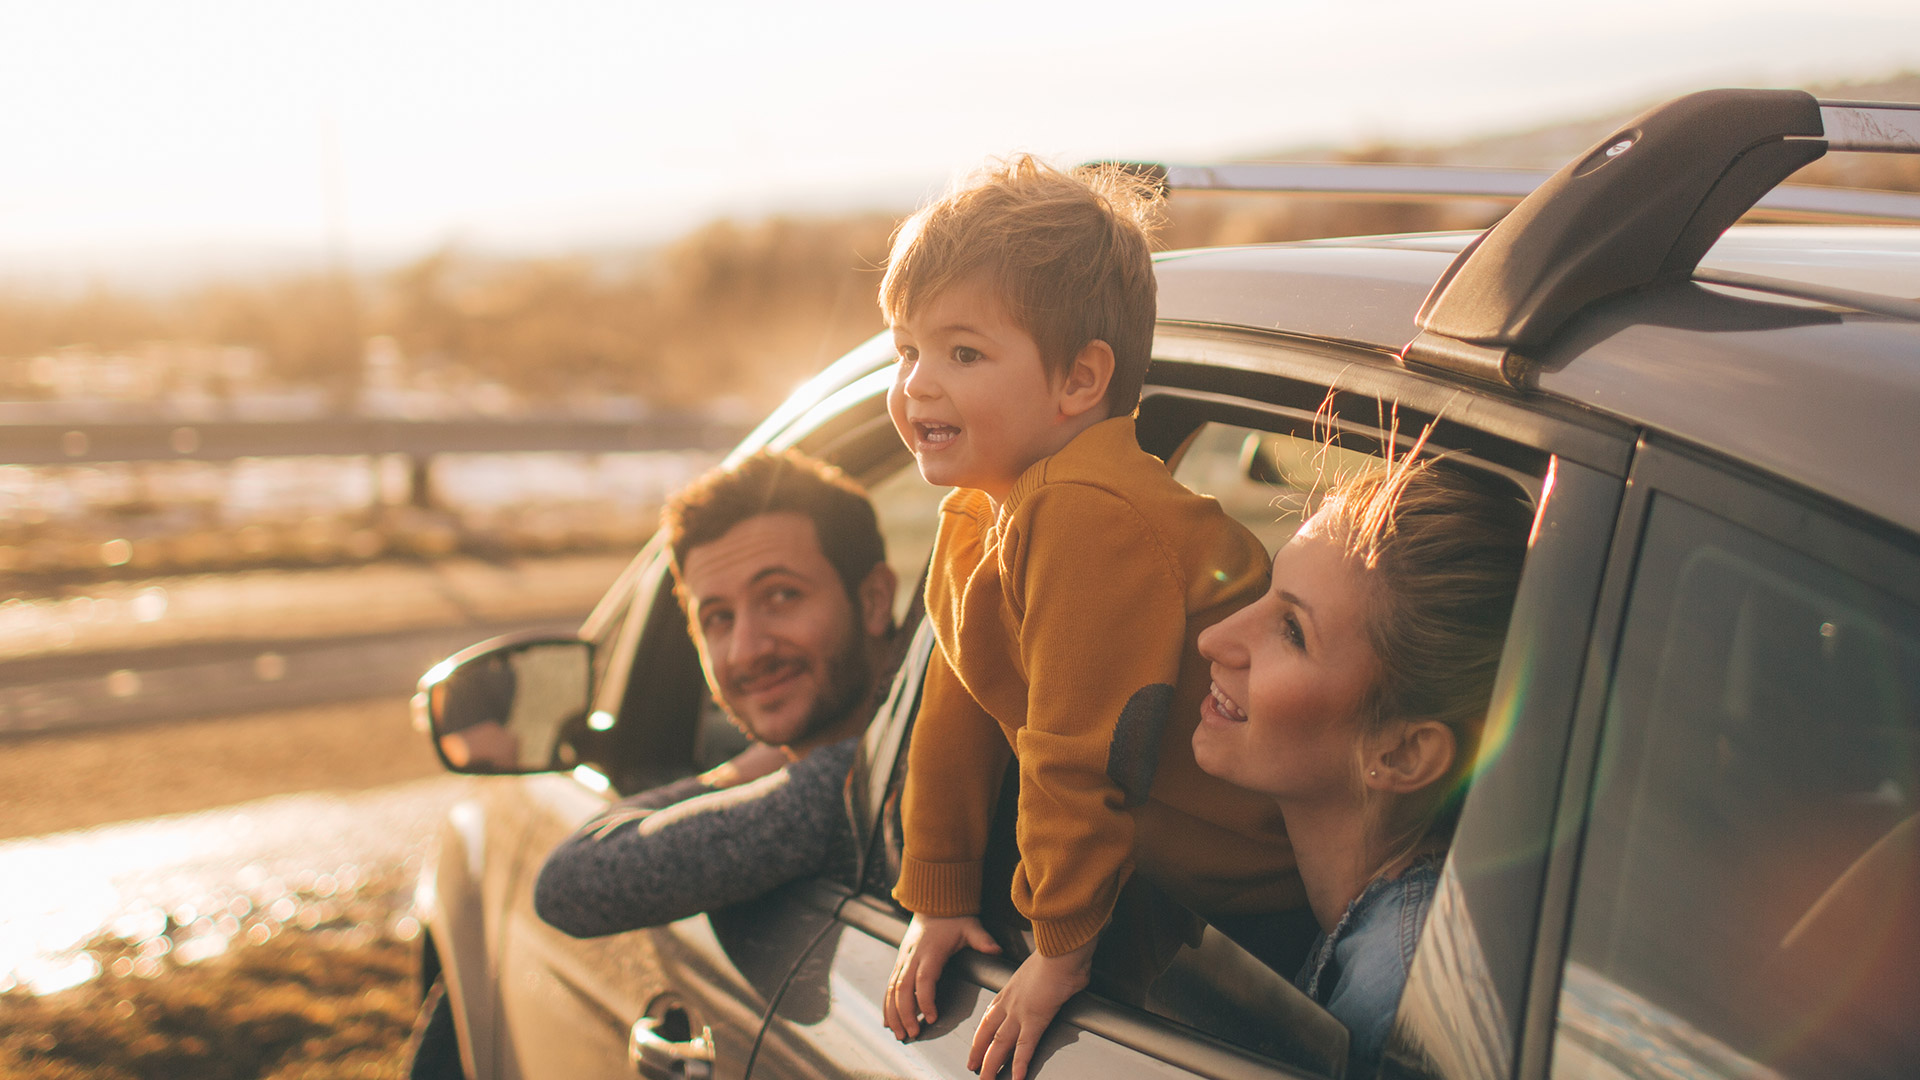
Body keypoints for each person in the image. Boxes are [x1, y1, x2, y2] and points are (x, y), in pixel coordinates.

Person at [880, 156, 1298, 1080]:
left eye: (963, 353)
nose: (916, 386)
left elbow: (1078, 749)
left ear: (1079, 380)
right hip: (1180, 880)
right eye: (905, 350)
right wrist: (940, 892)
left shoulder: (1084, 511)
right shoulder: (984, 512)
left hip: (1272, 894)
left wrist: (1057, 949)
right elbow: (957, 713)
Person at [1190, 452, 1530, 1076]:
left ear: (1401, 753)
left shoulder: (1394, 1002)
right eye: (1267, 591)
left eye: (1291, 630)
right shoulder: (1391, 932)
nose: (1214, 639)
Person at [533, 449, 898, 937]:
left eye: (782, 595)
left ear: (874, 600)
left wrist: (747, 771)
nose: (746, 651)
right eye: (719, 619)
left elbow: (571, 885)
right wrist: (763, 763)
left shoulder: (868, 784)